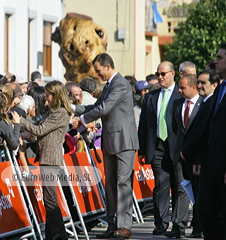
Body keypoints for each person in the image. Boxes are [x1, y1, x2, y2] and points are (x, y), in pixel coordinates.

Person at [74, 53, 139, 239]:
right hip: (110, 142)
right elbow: (95, 105)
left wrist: (83, 120)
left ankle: (124, 226)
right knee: (110, 185)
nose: (97, 74)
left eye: (98, 70)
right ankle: (112, 225)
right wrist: (70, 108)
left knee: (123, 184)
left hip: (124, 142)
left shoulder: (120, 84)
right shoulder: (109, 86)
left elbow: (104, 108)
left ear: (108, 66)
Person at [11, 80, 72, 240]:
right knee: (49, 199)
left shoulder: (60, 113)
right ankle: (52, 235)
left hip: (51, 160)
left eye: (48, 96)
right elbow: (38, 126)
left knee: (50, 200)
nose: (46, 99)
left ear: (56, 95)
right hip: (47, 158)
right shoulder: (53, 112)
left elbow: (39, 129)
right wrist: (25, 131)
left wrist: (20, 121)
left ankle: (60, 236)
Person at [138, 61, 182, 236]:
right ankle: (161, 223)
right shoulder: (151, 96)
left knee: (179, 187)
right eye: (158, 74)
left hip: (177, 149)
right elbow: (144, 125)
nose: (160, 77)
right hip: (157, 147)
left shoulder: (181, 95)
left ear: (173, 74)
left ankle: (178, 223)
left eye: (164, 74)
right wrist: (142, 150)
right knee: (160, 186)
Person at [181, 70, 220, 238]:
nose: (199, 86)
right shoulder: (206, 102)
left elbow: (202, 133)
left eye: (203, 83)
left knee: (205, 206)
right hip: (199, 160)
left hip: (207, 161)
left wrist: (188, 152)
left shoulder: (212, 104)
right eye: (199, 82)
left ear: (214, 85)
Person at [196, 43, 226, 239]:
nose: (216, 61)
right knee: (204, 210)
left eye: (220, 58)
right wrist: (199, 158)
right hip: (211, 165)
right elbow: (210, 127)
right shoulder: (221, 88)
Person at [166, 74, 202, 238]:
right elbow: (174, 128)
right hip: (179, 155)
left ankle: (198, 225)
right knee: (181, 189)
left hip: (197, 156)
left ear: (193, 87)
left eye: (183, 87)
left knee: (198, 190)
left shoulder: (203, 104)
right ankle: (178, 226)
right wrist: (178, 149)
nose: (179, 90)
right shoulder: (177, 104)